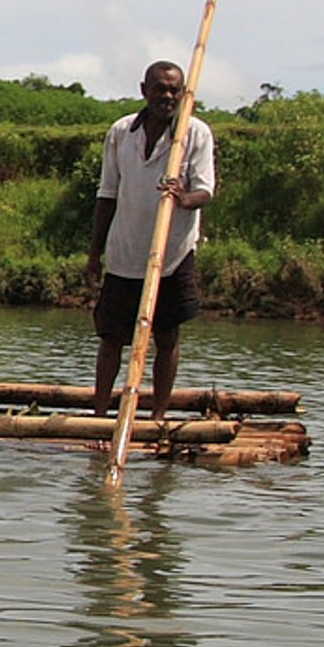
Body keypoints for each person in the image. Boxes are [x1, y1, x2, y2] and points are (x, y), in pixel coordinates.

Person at [84, 60, 216, 422]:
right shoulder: (121, 132)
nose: (168, 96)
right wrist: (95, 254)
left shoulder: (195, 133)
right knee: (111, 337)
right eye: (160, 89)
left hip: (171, 254)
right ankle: (98, 414)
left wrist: (182, 196)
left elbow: (205, 192)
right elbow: (107, 193)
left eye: (175, 90)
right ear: (144, 90)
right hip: (125, 253)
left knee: (167, 335)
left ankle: (157, 415)